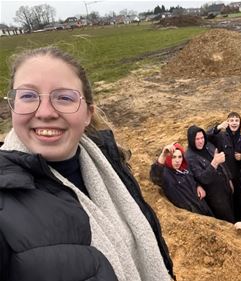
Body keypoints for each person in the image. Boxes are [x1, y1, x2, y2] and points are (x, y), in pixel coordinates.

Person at [0, 47, 174, 281]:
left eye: (64, 97)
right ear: (12, 105)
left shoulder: (112, 164)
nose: (45, 112)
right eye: (28, 96)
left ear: (88, 113)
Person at [206, 112, 241, 221]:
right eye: (231, 120)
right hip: (225, 176)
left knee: (240, 201)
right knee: (227, 200)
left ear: (240, 123)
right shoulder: (220, 137)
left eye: (237, 120)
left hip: (239, 176)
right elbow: (206, 137)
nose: (234, 123)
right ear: (227, 122)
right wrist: (218, 127)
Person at [186, 125, 235, 223]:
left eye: (202, 138)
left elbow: (223, 164)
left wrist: (229, 179)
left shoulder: (208, 145)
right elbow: (203, 178)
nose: (201, 141)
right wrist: (214, 163)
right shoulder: (190, 157)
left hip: (225, 186)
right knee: (227, 219)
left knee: (233, 209)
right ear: (191, 140)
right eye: (197, 139)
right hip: (215, 195)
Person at [150, 142, 214, 217]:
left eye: (180, 157)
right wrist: (163, 155)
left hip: (202, 207)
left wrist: (198, 186)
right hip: (191, 215)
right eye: (174, 157)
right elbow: (155, 176)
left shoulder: (184, 169)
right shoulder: (166, 174)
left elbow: (193, 178)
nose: (177, 160)